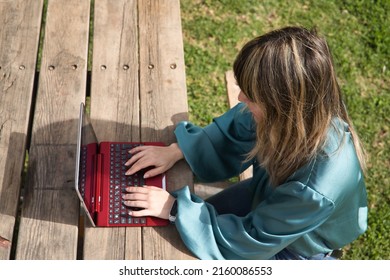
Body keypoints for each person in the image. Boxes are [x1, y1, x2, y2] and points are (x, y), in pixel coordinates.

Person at [122, 26, 368, 260]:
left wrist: (175, 209)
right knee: (197, 220)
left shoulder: (317, 186)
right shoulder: (298, 114)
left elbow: (251, 241)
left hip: (296, 245)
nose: (241, 98)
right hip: (267, 198)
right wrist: (179, 151)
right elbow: (235, 130)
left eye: (251, 97)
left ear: (285, 106)